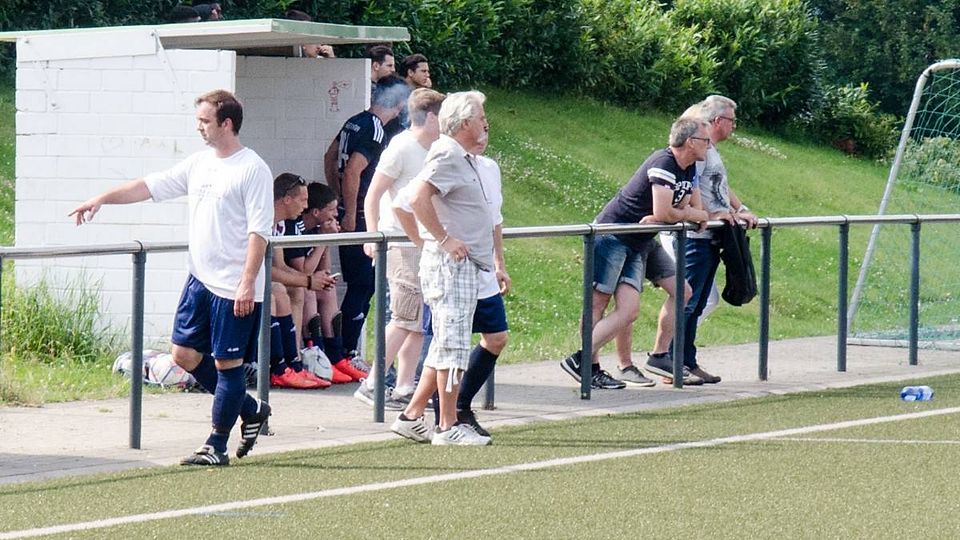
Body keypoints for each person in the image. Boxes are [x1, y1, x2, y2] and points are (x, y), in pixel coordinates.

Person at [70, 89, 273, 465]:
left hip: (233, 286)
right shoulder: (199, 163)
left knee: (227, 365)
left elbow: (259, 231)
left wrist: (247, 281)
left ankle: (216, 445)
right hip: (200, 281)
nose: (199, 127)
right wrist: (101, 199)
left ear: (226, 123)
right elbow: (148, 186)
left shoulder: (252, 168)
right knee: (183, 354)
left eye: (205, 121)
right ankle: (250, 409)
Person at [560, 116, 709, 390]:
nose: (709, 146)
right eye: (705, 140)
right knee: (598, 303)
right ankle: (588, 366)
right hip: (613, 235)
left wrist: (678, 214)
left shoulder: (689, 168)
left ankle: (647, 356)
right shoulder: (664, 163)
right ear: (690, 142)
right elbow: (668, 212)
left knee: (637, 308)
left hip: (640, 241)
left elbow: (695, 213)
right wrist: (676, 214)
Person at [390, 91, 494, 446]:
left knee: (447, 344)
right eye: (481, 118)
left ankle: (412, 416)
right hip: (453, 268)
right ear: (464, 123)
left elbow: (407, 200)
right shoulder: (449, 153)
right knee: (452, 346)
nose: (486, 124)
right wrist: (442, 240)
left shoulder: (460, 155)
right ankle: (447, 425)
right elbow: (414, 198)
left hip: (461, 266)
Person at [647, 95, 759, 384]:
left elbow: (720, 185)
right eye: (732, 121)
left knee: (696, 302)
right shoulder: (697, 152)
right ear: (718, 120)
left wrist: (739, 209)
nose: (734, 127)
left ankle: (687, 361)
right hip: (694, 236)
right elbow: (689, 189)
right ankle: (672, 362)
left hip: (711, 233)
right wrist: (707, 214)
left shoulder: (710, 151)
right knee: (689, 300)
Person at [355, 88, 445, 410]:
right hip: (399, 240)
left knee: (419, 318)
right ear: (431, 117)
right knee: (404, 315)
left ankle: (405, 385)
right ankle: (373, 382)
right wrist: (372, 236)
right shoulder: (402, 146)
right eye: (443, 116)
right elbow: (373, 193)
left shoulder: (435, 149)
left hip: (423, 241)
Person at [322, 76, 410, 365]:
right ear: (398, 103)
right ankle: (347, 352)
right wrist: (349, 211)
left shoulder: (355, 121)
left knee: (359, 284)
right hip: (359, 214)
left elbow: (330, 155)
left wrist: (336, 197)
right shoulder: (375, 129)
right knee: (363, 285)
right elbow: (353, 171)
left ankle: (344, 352)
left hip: (352, 209)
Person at [267, 173, 338, 389]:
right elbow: (268, 270)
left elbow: (279, 266)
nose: (306, 206)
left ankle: (294, 363)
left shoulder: (279, 224)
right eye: (303, 200)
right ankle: (279, 368)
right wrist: (307, 280)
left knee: (294, 290)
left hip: (259, 277)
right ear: (287, 199)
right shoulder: (264, 218)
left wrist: (308, 281)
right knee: (278, 292)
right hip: (235, 278)